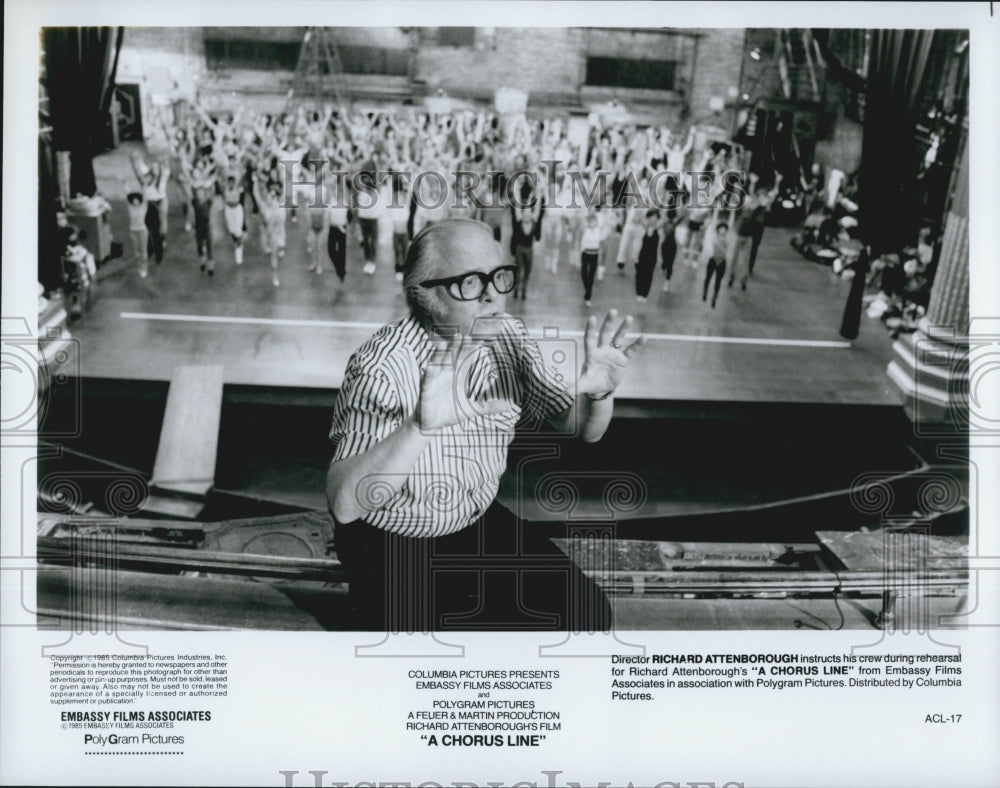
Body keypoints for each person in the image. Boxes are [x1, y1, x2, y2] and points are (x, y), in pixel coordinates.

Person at [326, 219, 646, 632]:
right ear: (424, 295)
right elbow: (345, 504)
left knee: (588, 616)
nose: (494, 295)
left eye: (499, 276)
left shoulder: (507, 336)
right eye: (472, 283)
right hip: (390, 540)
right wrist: (419, 428)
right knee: (423, 670)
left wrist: (599, 392)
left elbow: (582, 429)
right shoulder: (381, 366)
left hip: (471, 519)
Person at [634, 209, 660, 302]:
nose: (654, 219)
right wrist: (635, 255)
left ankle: (645, 294)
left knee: (649, 275)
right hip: (643, 254)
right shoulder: (643, 228)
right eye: (652, 217)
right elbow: (638, 218)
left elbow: (659, 245)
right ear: (648, 218)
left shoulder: (658, 229)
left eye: (656, 217)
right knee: (640, 273)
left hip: (652, 256)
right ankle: (639, 292)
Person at [702, 222, 729, 308]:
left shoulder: (727, 239)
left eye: (724, 229)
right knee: (708, 277)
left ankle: (714, 297)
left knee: (718, 281)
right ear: (718, 230)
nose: (723, 230)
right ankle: (705, 292)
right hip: (713, 260)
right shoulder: (714, 237)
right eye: (721, 228)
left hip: (721, 261)